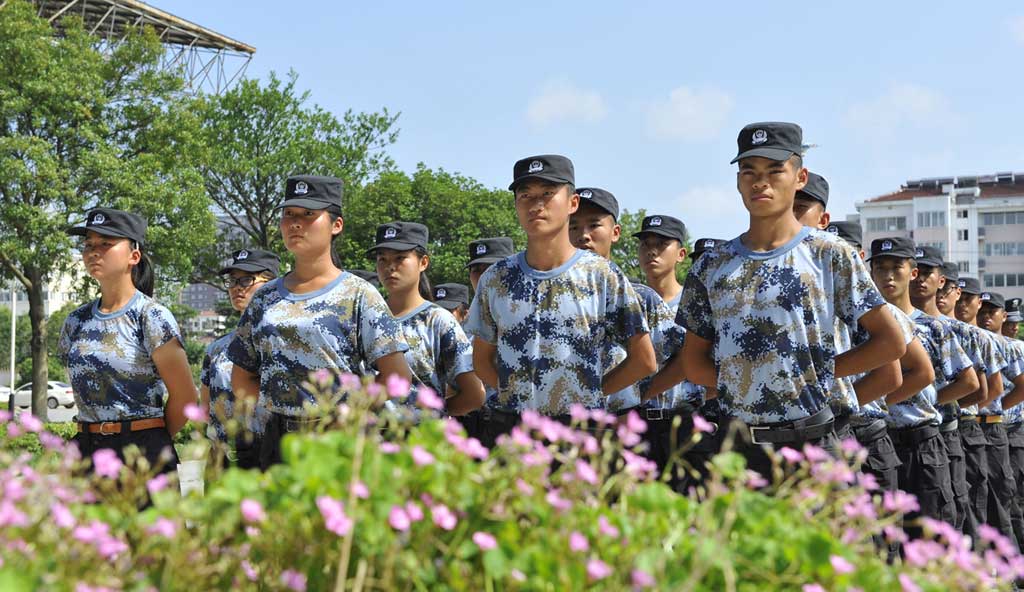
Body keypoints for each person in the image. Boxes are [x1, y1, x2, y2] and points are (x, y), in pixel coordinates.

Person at [664, 122, 905, 479]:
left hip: (814, 445)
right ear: (738, 181)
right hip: (738, 451)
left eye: (775, 170)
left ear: (800, 177)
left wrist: (817, 374)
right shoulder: (712, 265)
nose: (760, 182)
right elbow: (693, 361)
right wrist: (746, 381)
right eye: (749, 171)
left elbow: (890, 342)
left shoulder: (829, 254)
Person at [467, 155, 655, 446]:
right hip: (515, 429)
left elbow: (643, 360)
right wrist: (517, 396)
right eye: (526, 196)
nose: (536, 205)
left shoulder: (602, 275)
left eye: (547, 193)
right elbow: (482, 360)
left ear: (572, 203)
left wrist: (590, 393)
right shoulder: (496, 278)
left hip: (580, 432)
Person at [229, 175, 413, 469]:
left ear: (336, 225)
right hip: (279, 444)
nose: (295, 223)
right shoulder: (264, 298)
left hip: (339, 442)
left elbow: (398, 378)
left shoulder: (359, 294)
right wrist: (280, 411)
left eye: (308, 214)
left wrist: (347, 414)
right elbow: (242, 378)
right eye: (289, 214)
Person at [60, 208, 195, 475]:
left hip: (141, 452)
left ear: (134, 256)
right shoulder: (75, 321)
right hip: (87, 450)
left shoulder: (151, 316)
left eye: (106, 244)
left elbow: (186, 397)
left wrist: (149, 439)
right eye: (89, 245)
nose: (93, 251)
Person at [867, 237, 973, 536]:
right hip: (878, 442)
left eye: (896, 268)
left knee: (931, 537)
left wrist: (925, 401)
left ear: (912, 273)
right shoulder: (863, 325)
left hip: (921, 444)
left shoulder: (932, 327)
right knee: (884, 540)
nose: (888, 276)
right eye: (880, 268)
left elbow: (968, 381)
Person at [369, 221, 484, 416]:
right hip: (368, 432)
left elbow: (474, 395)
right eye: (382, 259)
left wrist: (431, 414)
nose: (390, 267)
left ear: (423, 263)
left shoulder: (438, 321)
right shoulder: (366, 317)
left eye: (400, 258)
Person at [908, 247, 982, 533]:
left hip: (947, 431)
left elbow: (976, 387)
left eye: (927, 273)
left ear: (941, 281)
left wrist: (929, 401)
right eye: (918, 272)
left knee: (948, 514)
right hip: (902, 434)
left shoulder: (955, 329)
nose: (919, 279)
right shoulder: (889, 321)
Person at [200, 248, 279, 470]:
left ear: (273, 284)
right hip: (222, 459)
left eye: (247, 280)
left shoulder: (284, 343)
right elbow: (205, 408)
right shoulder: (216, 349)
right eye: (233, 280)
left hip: (269, 457)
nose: (237, 287)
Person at [977, 292, 1024, 550]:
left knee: (1008, 500)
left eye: (991, 312)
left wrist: (997, 408)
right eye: (982, 312)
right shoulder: (974, 341)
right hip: (980, 428)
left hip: (1009, 429)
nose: (985, 317)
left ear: (1002, 316)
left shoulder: (1013, 348)